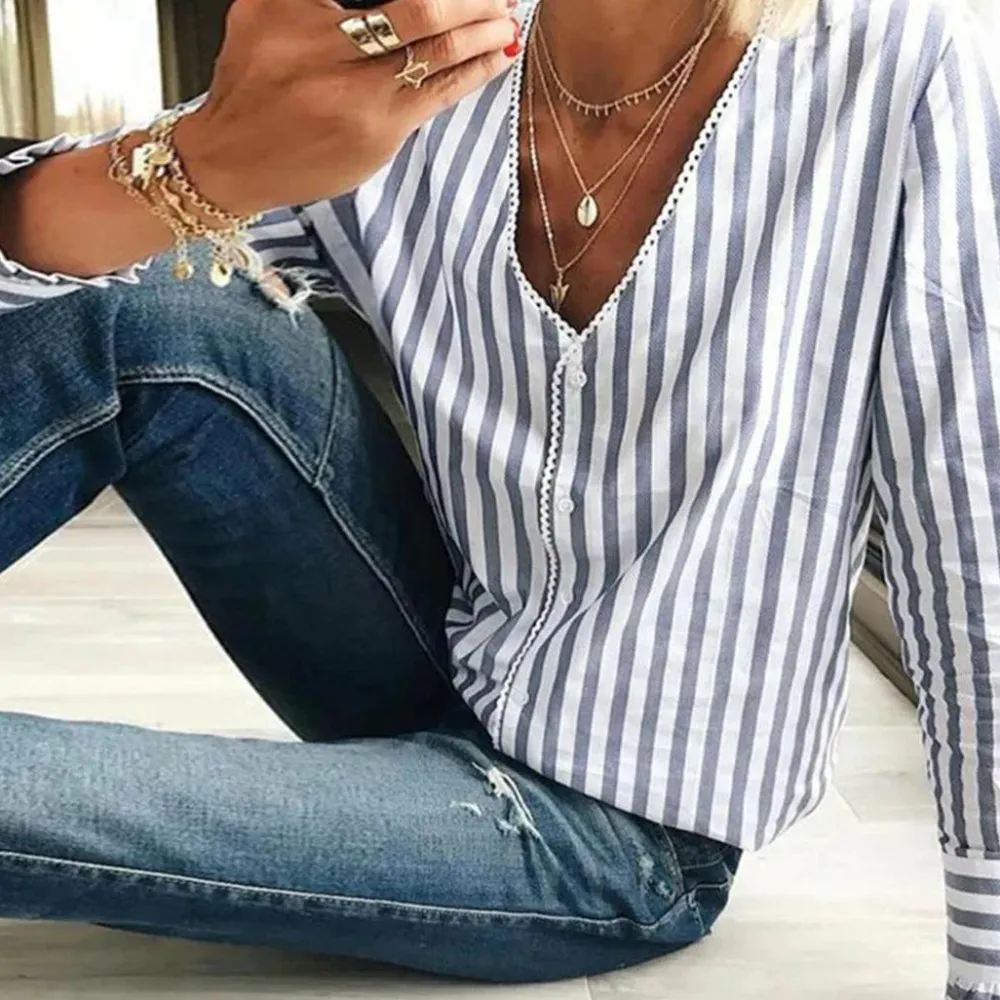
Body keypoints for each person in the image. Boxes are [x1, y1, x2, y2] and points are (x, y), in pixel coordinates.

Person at [0, 0, 997, 994]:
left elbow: (968, 537)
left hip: (620, 831)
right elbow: (55, 273)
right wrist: (207, 160)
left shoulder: (898, 64)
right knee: (156, 299)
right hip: (431, 657)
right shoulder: (436, 56)